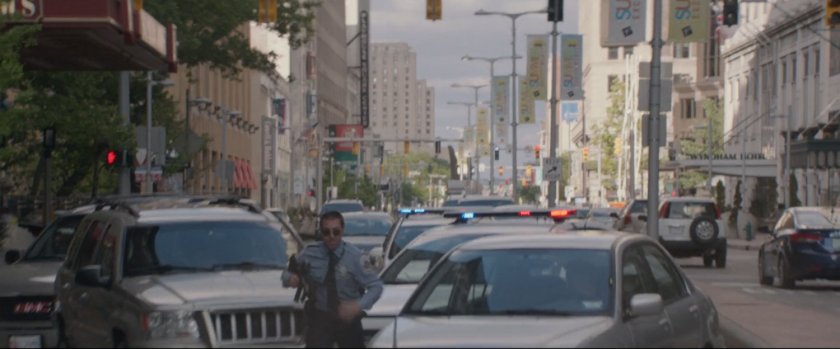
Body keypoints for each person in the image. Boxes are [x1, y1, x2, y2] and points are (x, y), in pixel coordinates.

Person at [283, 211, 383, 348]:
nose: (331, 236)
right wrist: (290, 278)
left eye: (335, 232)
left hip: (348, 320)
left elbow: (376, 286)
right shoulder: (310, 253)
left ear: (342, 231)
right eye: (326, 232)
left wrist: (358, 305)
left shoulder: (358, 257)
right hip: (320, 319)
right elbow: (286, 273)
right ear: (320, 232)